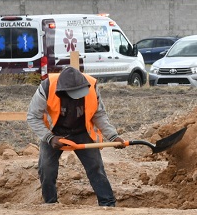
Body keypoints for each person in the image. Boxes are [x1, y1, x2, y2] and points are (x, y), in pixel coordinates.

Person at [26, 66, 125, 207]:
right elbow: (33, 117)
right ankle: (50, 204)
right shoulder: (47, 86)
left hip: (82, 131)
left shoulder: (91, 85)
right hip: (54, 133)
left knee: (96, 167)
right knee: (46, 168)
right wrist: (49, 138)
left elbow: (99, 115)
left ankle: (107, 203)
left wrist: (113, 136)